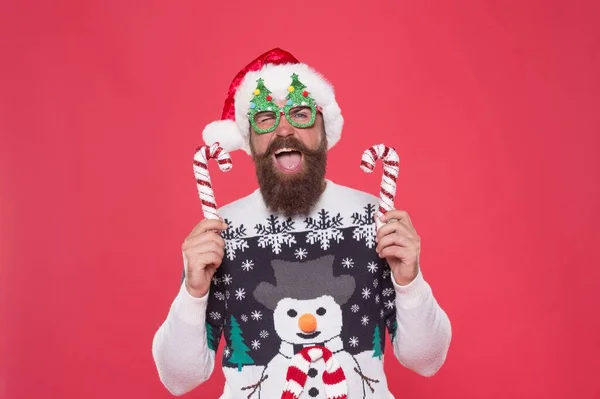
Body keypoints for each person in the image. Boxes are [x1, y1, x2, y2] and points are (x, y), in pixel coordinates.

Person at [152, 48, 452, 399]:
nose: (284, 129)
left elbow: (427, 360)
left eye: (300, 113)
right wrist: (193, 292)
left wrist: (409, 282)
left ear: (325, 129)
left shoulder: (375, 219)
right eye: (265, 117)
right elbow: (178, 378)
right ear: (250, 138)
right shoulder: (220, 231)